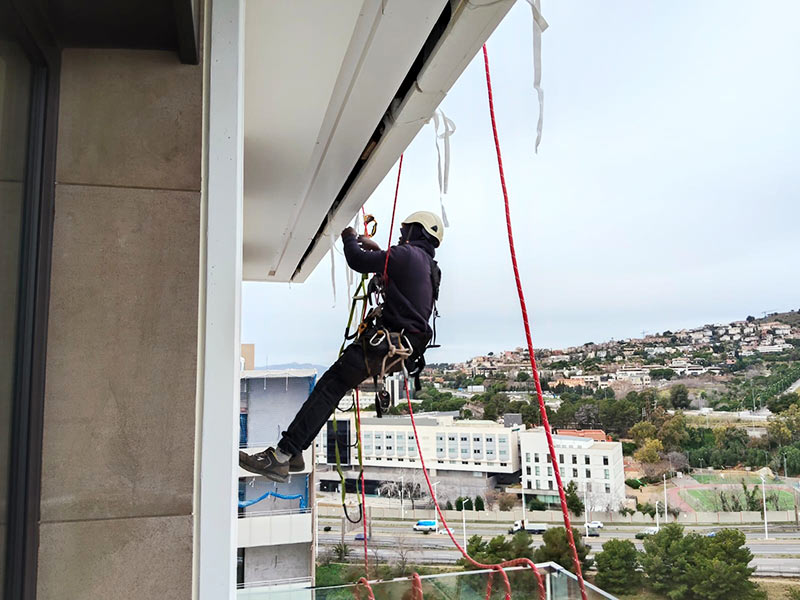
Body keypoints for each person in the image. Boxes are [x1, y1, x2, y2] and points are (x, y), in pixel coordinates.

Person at [239, 211, 444, 482]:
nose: (400, 235)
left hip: (387, 344)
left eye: (404, 230)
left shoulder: (407, 255)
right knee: (333, 387)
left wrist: (348, 237)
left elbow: (358, 261)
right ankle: (293, 452)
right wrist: (378, 251)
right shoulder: (428, 265)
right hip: (403, 348)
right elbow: (401, 278)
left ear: (417, 231)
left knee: (331, 386)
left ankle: (282, 456)